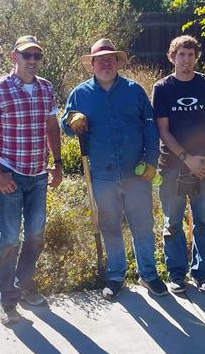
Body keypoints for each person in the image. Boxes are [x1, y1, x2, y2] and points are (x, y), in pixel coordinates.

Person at [62, 38, 167, 300]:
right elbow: (65, 125)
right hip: (102, 174)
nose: (106, 63)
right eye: (100, 60)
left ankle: (148, 274)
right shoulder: (80, 94)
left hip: (136, 173)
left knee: (142, 224)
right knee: (110, 225)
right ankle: (116, 275)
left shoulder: (135, 91)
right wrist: (70, 120)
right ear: (92, 65)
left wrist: (152, 161)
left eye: (111, 59)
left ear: (118, 62)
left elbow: (150, 128)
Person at [0, 35, 63, 324]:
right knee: (10, 238)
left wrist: (59, 163)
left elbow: (52, 127)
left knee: (36, 234)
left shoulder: (46, 89)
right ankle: (8, 295)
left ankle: (25, 284)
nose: (33, 61)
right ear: (14, 57)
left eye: (37, 56)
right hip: (10, 175)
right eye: (27, 56)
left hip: (38, 175)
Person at [152, 35, 205, 294]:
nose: (186, 60)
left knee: (203, 221)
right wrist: (187, 159)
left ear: (196, 57)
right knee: (172, 222)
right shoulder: (162, 88)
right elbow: (163, 130)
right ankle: (177, 274)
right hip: (172, 165)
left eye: (191, 55)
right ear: (172, 57)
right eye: (181, 55)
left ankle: (202, 273)